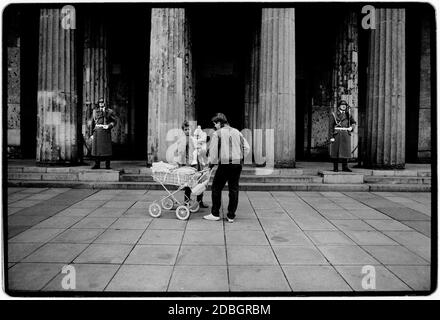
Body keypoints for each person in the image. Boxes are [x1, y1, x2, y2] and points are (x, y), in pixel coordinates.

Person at [204, 113, 250, 223]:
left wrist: (211, 163)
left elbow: (214, 152)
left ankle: (215, 213)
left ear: (219, 123)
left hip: (224, 164)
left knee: (216, 187)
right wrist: (240, 157)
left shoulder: (217, 134)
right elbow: (247, 148)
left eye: (215, 123)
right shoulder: (237, 132)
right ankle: (231, 216)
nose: (215, 126)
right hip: (237, 164)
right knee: (233, 189)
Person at [176, 120, 209, 208]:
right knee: (189, 184)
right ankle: (187, 201)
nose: (187, 131)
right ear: (183, 130)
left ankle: (199, 201)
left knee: (200, 182)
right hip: (189, 165)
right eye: (185, 129)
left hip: (196, 163)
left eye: (188, 129)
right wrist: (181, 164)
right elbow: (181, 153)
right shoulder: (184, 140)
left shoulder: (192, 138)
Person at [329, 100, 356, 172]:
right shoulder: (334, 114)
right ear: (339, 106)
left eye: (345, 105)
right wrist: (331, 137)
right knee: (336, 152)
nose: (344, 106)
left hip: (345, 134)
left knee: (345, 152)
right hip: (337, 134)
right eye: (342, 105)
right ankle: (335, 167)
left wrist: (351, 128)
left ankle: (345, 167)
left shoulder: (348, 114)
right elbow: (331, 127)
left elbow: (353, 123)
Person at [91, 98, 116, 169]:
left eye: (103, 102)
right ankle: (97, 164)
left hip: (106, 131)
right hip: (97, 131)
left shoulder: (110, 111)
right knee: (96, 150)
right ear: (98, 103)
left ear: (105, 103)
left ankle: (107, 165)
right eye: (100, 102)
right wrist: (91, 134)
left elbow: (114, 121)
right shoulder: (95, 111)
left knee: (107, 150)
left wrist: (109, 126)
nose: (101, 103)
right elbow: (92, 123)